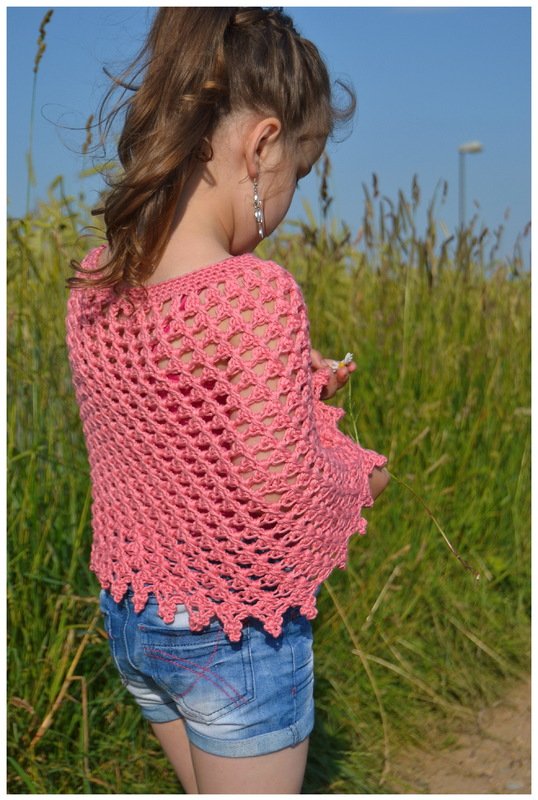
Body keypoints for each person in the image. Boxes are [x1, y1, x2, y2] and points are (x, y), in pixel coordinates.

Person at [65, 7, 389, 794]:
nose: (290, 201)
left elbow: (167, 413)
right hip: (226, 633)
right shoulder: (253, 294)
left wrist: (292, 382)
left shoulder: (98, 279)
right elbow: (281, 488)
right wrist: (363, 478)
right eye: (298, 175)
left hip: (135, 618)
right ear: (263, 145)